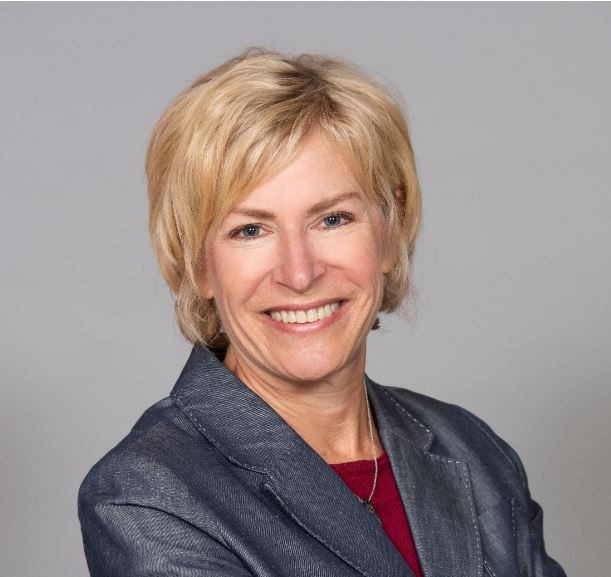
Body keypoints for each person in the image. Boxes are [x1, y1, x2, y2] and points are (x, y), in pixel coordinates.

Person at [78, 47, 566, 577]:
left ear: (390, 230)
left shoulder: (471, 449)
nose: (299, 272)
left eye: (332, 219)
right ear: (198, 266)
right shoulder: (147, 494)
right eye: (250, 230)